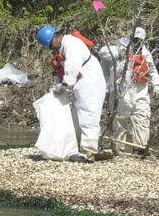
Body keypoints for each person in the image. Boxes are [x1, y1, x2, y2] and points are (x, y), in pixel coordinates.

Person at [37, 25, 108, 162]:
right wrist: (59, 84)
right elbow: (63, 70)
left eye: (51, 45)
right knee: (76, 115)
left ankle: (90, 151)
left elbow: (72, 67)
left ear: (56, 37)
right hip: (82, 83)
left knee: (88, 115)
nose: (52, 49)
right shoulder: (64, 47)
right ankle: (77, 148)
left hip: (91, 82)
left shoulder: (71, 44)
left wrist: (64, 85)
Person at [108, 27, 159, 153]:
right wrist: (118, 53)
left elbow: (153, 70)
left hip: (141, 89)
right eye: (135, 39)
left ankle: (140, 148)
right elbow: (104, 52)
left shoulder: (146, 54)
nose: (137, 42)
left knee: (141, 118)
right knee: (120, 118)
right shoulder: (120, 48)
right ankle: (118, 146)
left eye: (139, 40)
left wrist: (157, 84)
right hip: (124, 88)